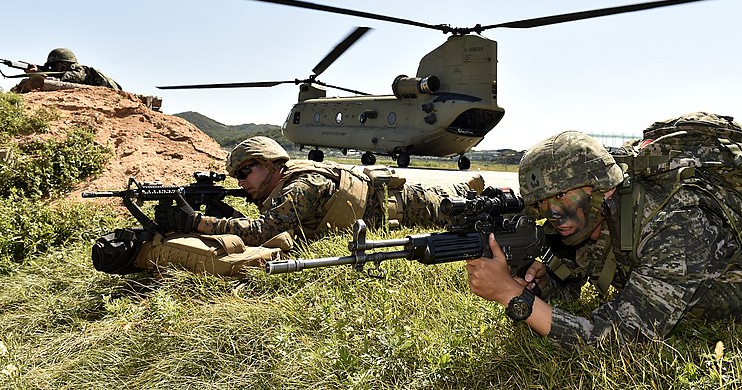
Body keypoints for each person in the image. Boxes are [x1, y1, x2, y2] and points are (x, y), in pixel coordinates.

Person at [466, 124, 742, 350]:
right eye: (544, 202)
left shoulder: (675, 225)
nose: (553, 213)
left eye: (563, 196)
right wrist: (541, 284)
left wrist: (513, 296)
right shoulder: (597, 219)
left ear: (603, 189)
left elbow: (618, 340)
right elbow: (576, 280)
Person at [137, 136, 485, 275]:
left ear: (271, 164)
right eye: (237, 175)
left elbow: (263, 231)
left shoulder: (302, 185)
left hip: (409, 206)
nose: (241, 181)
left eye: (246, 171)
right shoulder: (282, 187)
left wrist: (199, 222)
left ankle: (478, 188)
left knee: (473, 207)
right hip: (394, 207)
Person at [14, 48, 122, 91]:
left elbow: (61, 81)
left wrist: (39, 74)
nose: (51, 69)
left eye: (53, 66)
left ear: (64, 66)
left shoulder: (80, 71)